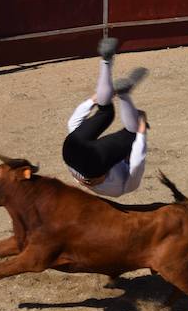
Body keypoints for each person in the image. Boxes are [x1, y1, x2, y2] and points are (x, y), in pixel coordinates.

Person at [62, 38, 150, 198]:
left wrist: (141, 132)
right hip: (69, 152)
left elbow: (136, 162)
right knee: (116, 121)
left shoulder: (123, 186)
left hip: (90, 164)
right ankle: (110, 69)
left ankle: (110, 68)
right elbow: (72, 124)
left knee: (122, 126)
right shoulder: (120, 186)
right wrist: (92, 100)